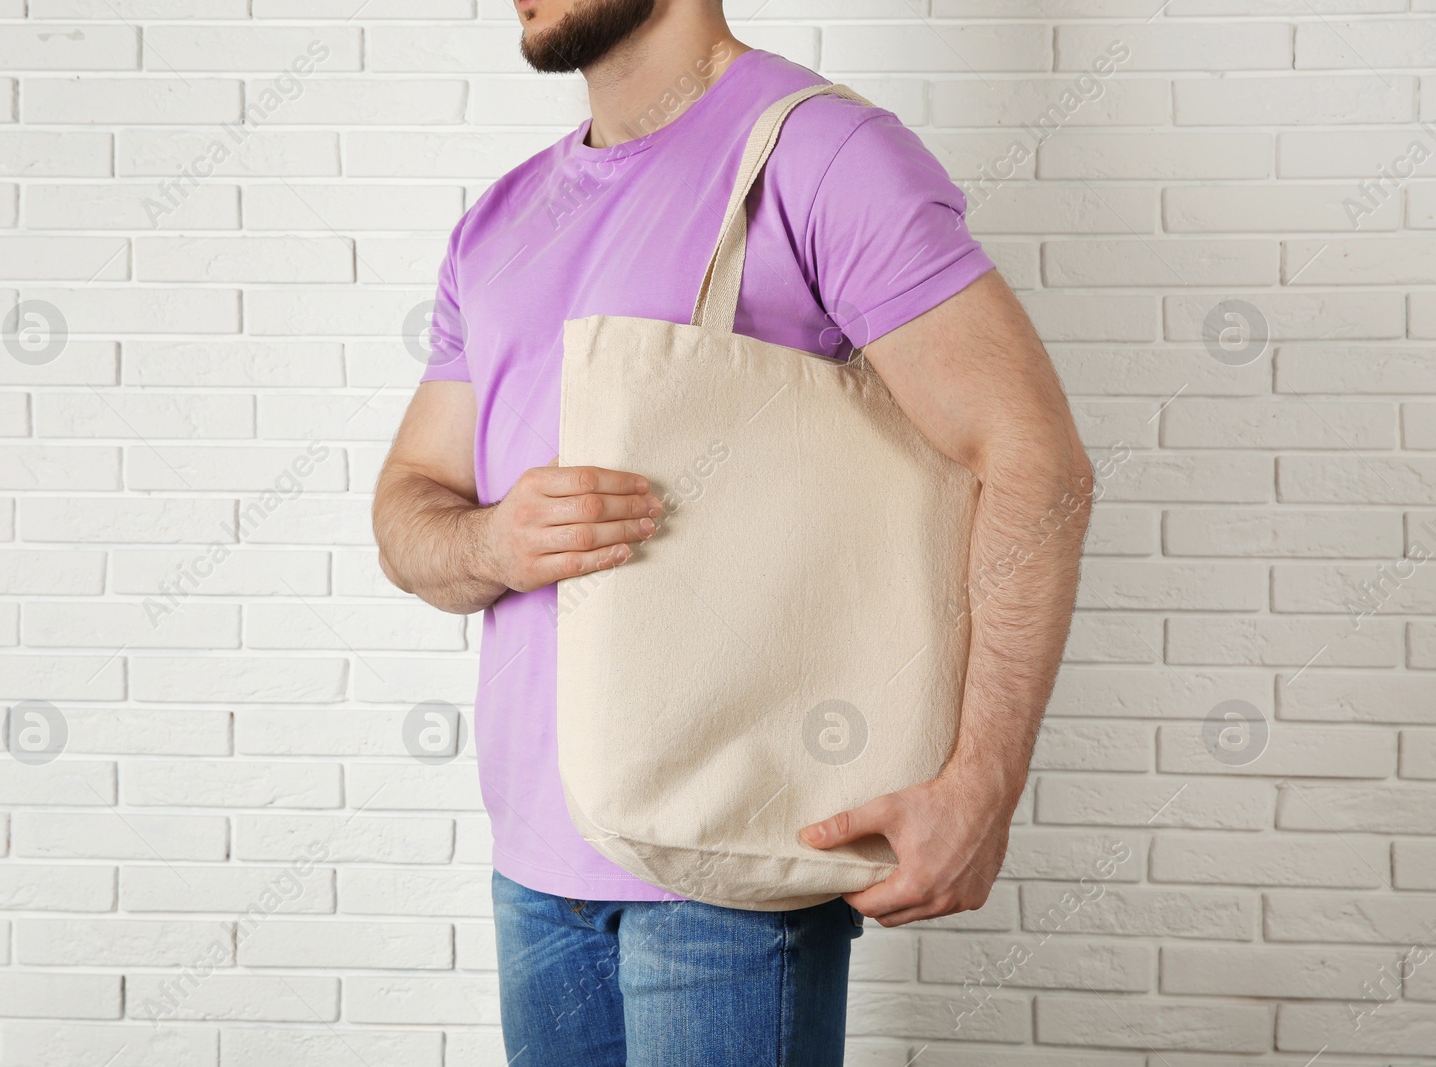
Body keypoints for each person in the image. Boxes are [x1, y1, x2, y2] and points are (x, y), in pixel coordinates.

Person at [371, 1, 1091, 1062]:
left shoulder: (818, 154)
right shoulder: (500, 219)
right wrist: (491, 544)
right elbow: (408, 501)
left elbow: (1032, 458)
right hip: (532, 868)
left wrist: (980, 780)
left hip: (729, 864)